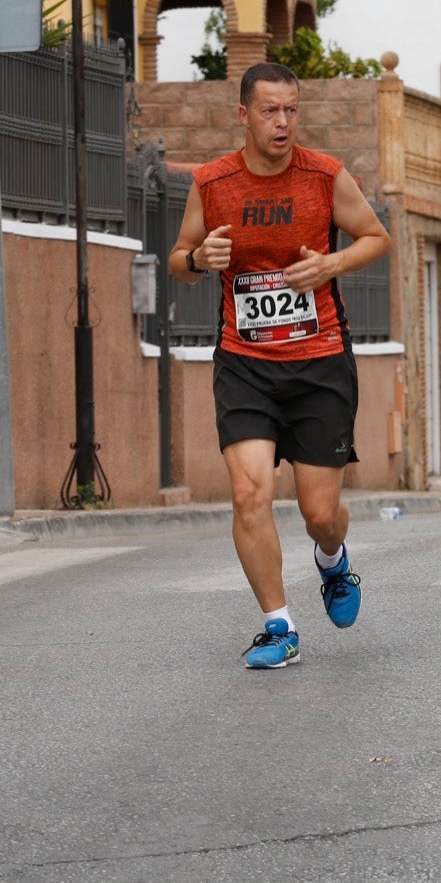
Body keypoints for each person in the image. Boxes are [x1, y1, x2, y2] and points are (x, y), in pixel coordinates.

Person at [168, 62, 391, 669]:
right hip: (245, 363)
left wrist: (329, 266)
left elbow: (375, 236)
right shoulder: (213, 182)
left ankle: (332, 560)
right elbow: (180, 256)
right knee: (249, 494)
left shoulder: (324, 176)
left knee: (320, 512)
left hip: (319, 364)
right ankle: (277, 625)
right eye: (270, 110)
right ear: (243, 114)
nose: (283, 121)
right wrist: (199, 258)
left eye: (292, 109)